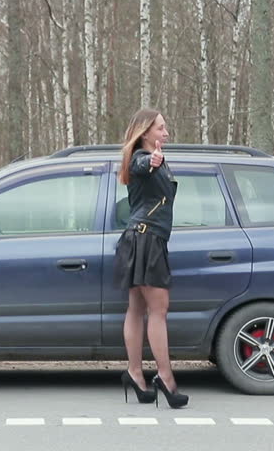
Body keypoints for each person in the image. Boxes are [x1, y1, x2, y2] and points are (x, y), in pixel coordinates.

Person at [114, 108, 188, 408]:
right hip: (147, 239)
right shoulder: (141, 160)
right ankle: (165, 377)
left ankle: (135, 372)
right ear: (145, 132)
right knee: (159, 310)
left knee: (137, 308)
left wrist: (157, 160)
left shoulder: (146, 160)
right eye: (160, 128)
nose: (166, 133)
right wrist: (153, 159)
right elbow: (143, 164)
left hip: (139, 237)